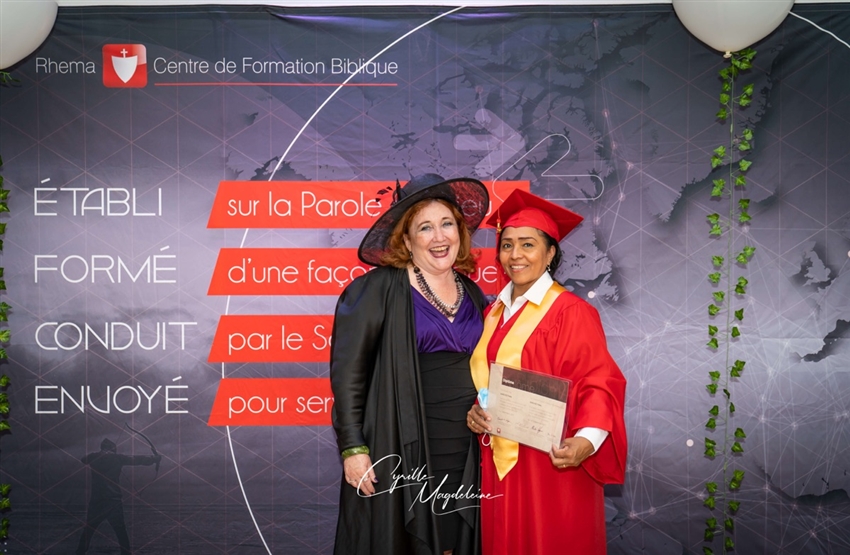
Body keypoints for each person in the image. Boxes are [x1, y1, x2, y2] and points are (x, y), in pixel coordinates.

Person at [330, 173, 490, 555]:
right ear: (406, 239)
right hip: (402, 442)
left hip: (465, 447)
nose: (439, 237)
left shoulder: (474, 293)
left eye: (447, 223)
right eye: (425, 227)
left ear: (460, 231)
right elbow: (350, 376)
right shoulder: (375, 290)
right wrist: (353, 449)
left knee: (454, 541)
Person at [466, 188, 627, 555]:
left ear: (551, 253)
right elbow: (489, 379)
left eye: (528, 244)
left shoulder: (570, 312)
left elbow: (598, 379)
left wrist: (587, 440)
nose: (515, 255)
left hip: (552, 460)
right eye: (507, 245)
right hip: (501, 460)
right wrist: (478, 410)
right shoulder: (493, 313)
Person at [76, 437, 161, 555]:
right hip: (113, 501)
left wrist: (100, 454)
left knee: (89, 529)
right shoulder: (118, 458)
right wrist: (154, 459)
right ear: (113, 449)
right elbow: (136, 460)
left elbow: (83, 459)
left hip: (97, 502)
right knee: (120, 531)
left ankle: (80, 552)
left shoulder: (93, 457)